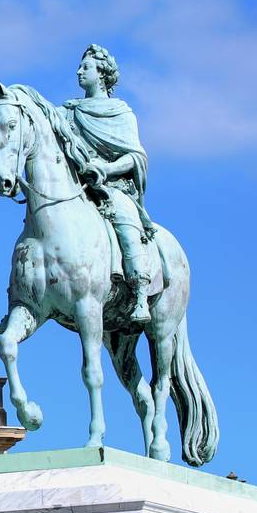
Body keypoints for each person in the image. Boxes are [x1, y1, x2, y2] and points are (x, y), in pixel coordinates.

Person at [52, 44, 154, 324]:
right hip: (75, 187)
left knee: (124, 217)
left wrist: (106, 169)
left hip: (112, 187)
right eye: (80, 67)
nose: (79, 71)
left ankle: (140, 292)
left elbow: (135, 156)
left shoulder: (121, 113)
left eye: (86, 67)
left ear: (102, 74)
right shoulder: (67, 112)